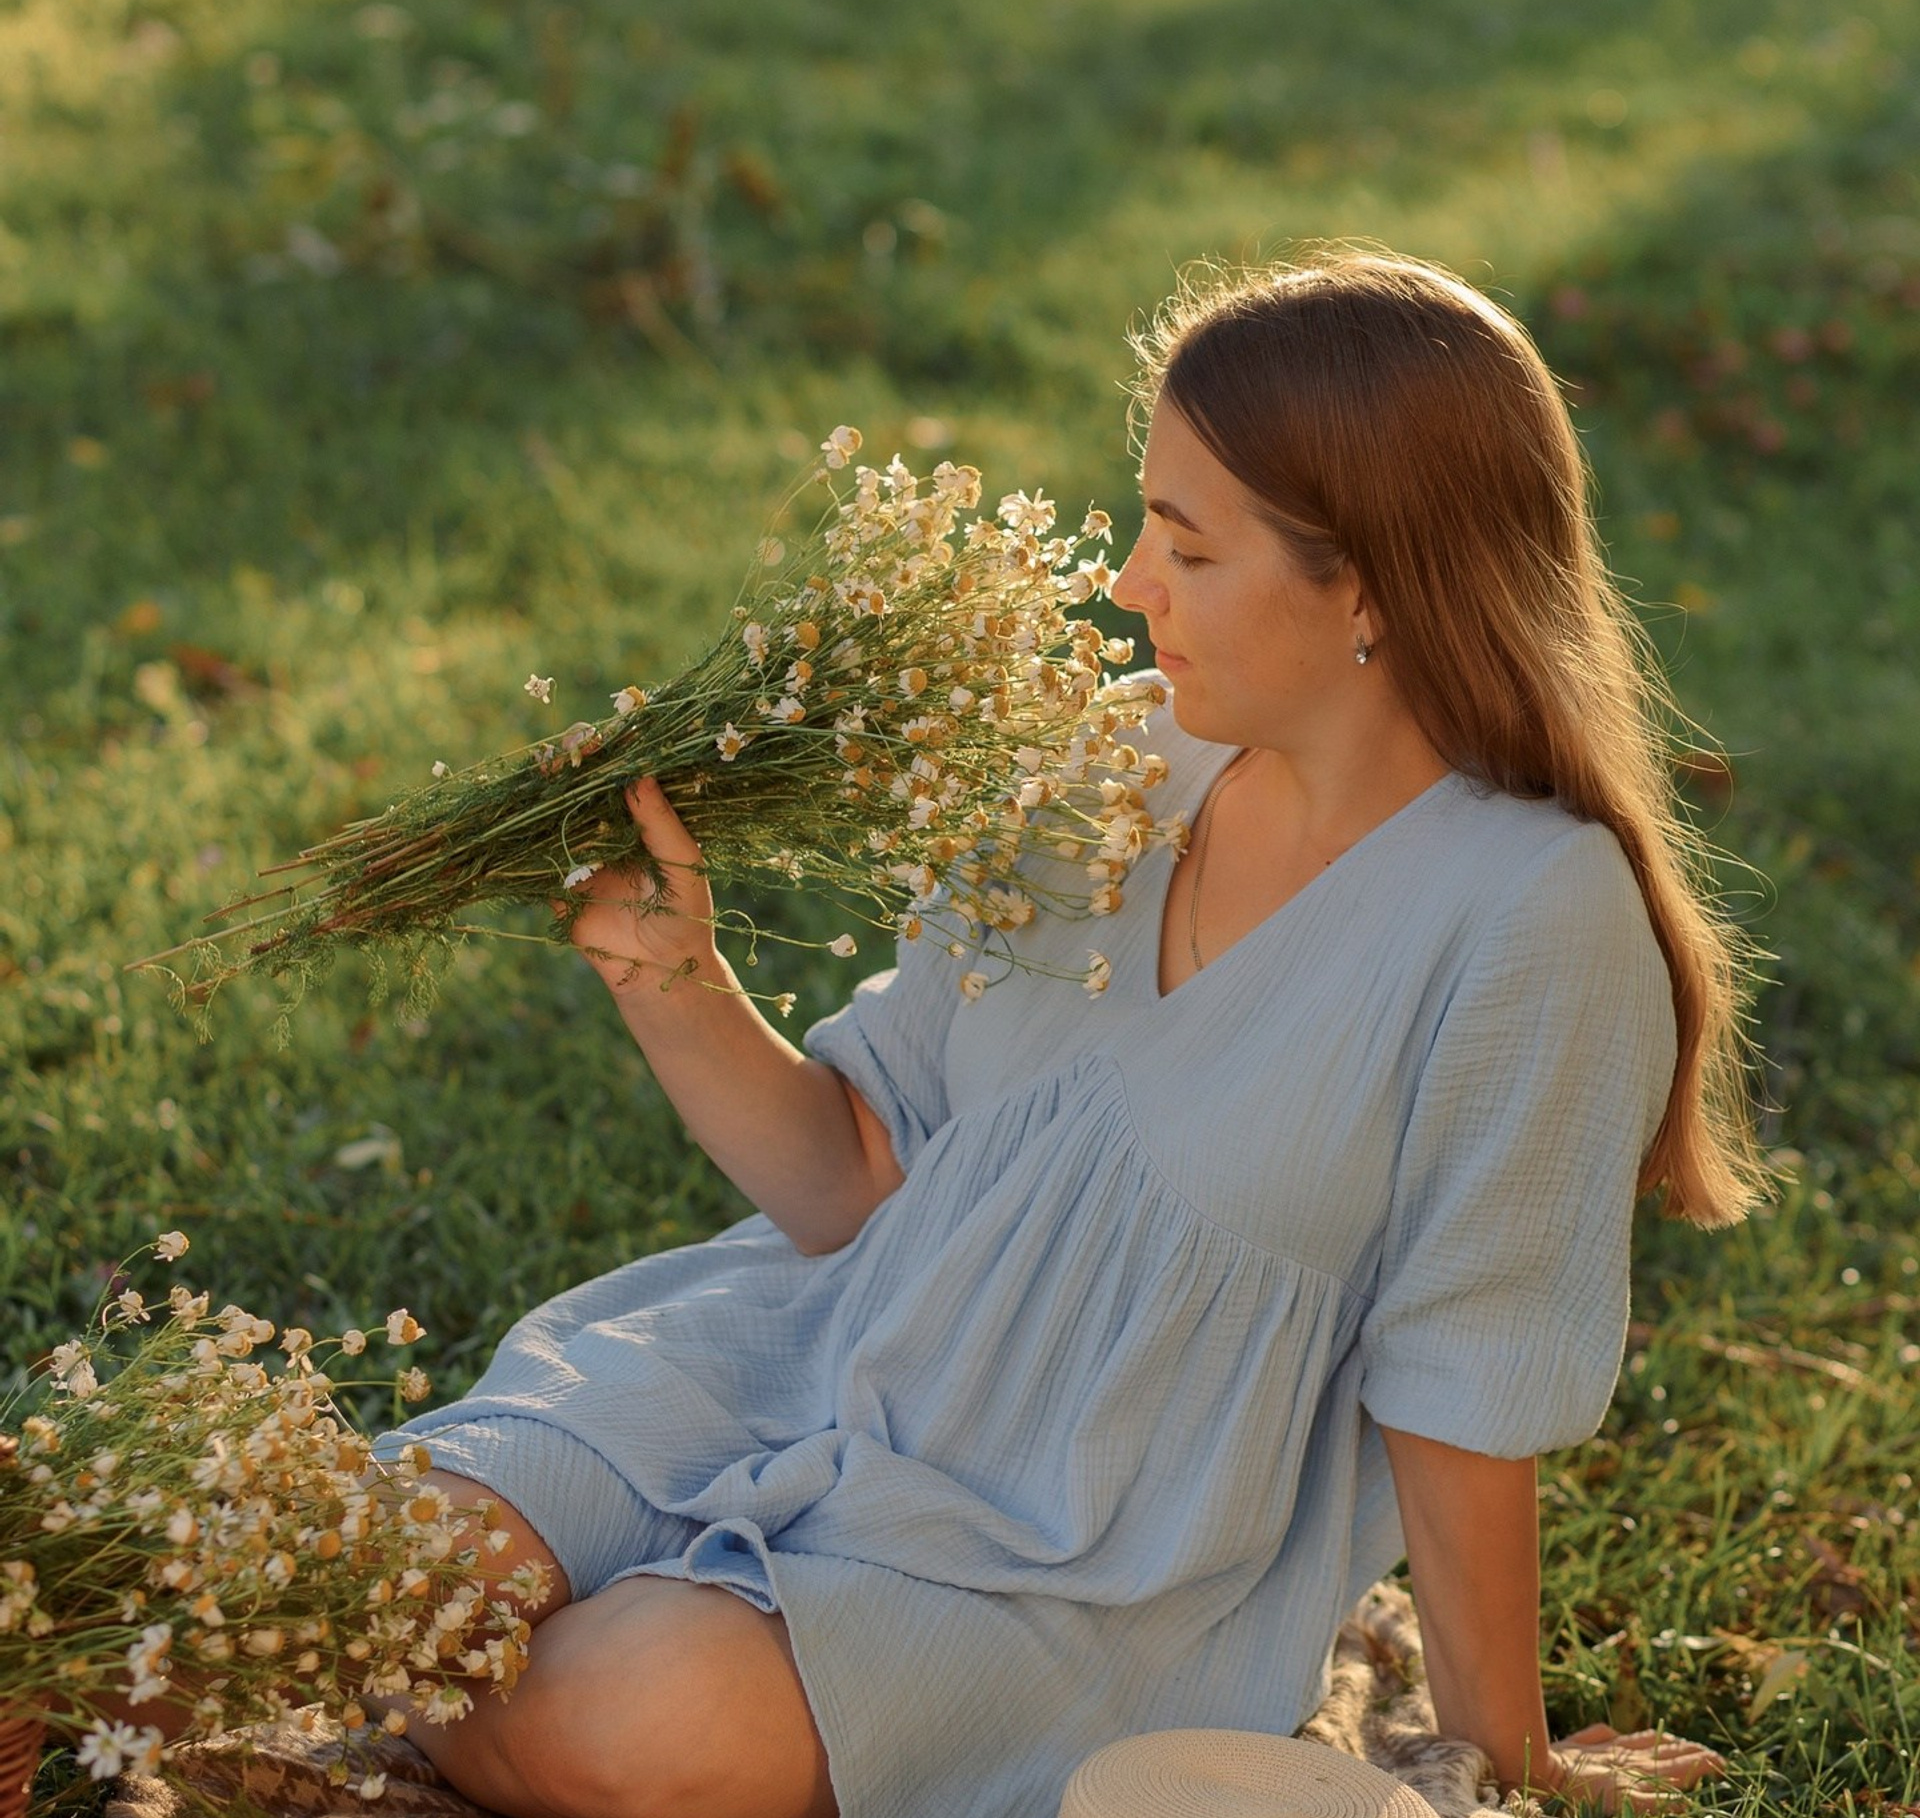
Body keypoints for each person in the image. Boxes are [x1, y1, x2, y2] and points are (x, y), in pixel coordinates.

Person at [378, 248, 1762, 1818]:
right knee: (379, 1573)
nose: (1128, 583)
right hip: (817, 1361)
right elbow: (861, 1179)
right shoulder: (1103, 766)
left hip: (1086, 1557)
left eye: (1189, 545)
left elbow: (1464, 1380)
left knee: (618, 1728)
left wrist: (1503, 1757)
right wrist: (673, 981)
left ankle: (511, 1680)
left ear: (1371, 582)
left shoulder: (1529, 912)